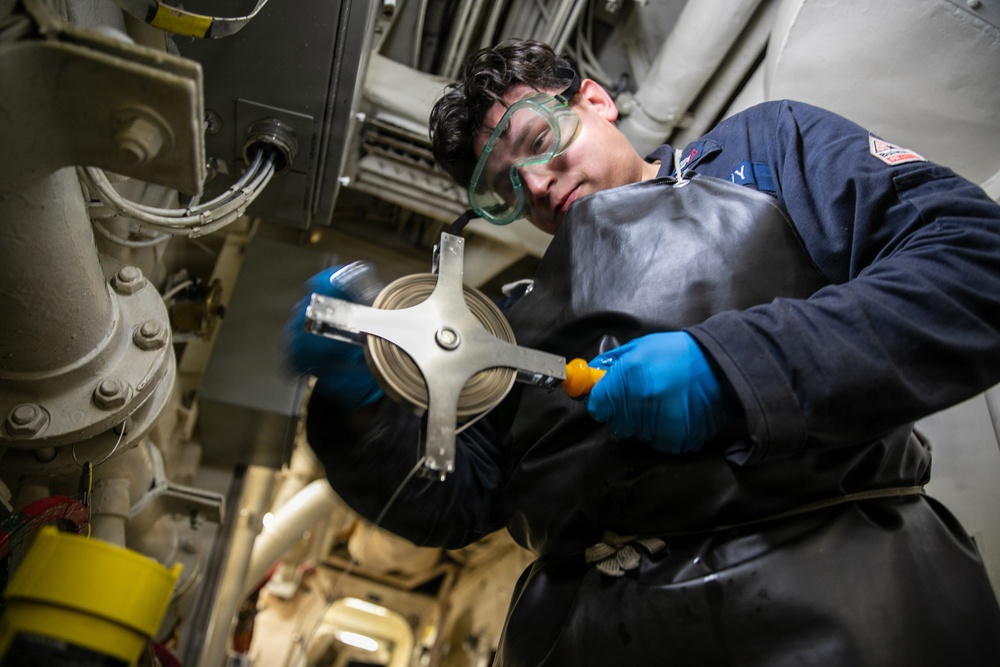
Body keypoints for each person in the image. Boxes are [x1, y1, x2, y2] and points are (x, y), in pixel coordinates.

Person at [287, 39, 1000, 665]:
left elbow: (976, 263)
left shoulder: (764, 152)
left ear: (595, 100)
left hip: (844, 612)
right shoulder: (513, 320)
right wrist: (363, 409)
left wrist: (735, 369)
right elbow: (462, 499)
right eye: (503, 189)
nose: (533, 184)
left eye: (535, 138)